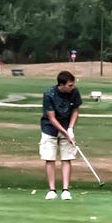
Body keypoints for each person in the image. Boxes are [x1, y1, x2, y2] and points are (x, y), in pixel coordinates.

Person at [39, 70, 82, 200]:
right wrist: (65, 132)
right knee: (50, 158)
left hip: (66, 126)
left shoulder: (74, 92)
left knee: (67, 158)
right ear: (61, 85)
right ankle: (52, 190)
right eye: (69, 85)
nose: (72, 87)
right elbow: (52, 118)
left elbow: (75, 111)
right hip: (49, 128)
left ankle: (65, 190)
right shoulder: (49, 94)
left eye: (72, 85)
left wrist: (70, 129)